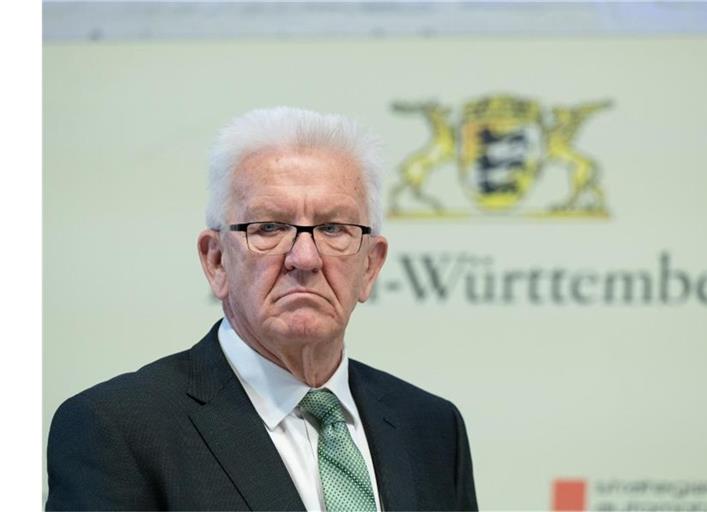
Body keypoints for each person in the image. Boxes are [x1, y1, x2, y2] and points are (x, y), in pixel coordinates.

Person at [46, 107, 478, 511]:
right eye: (269, 227)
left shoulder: (433, 428)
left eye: (333, 228)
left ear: (370, 264)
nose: (305, 257)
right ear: (216, 261)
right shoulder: (116, 430)